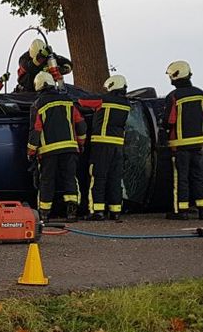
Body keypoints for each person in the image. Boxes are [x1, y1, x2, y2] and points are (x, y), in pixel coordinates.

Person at [28, 71, 86, 222]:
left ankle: (44, 215)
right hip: (70, 149)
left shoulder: (38, 104)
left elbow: (36, 129)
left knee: (47, 181)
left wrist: (31, 151)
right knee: (70, 179)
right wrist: (81, 143)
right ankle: (72, 212)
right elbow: (80, 124)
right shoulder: (68, 101)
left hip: (48, 151)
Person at [162, 60, 203, 220]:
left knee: (181, 177)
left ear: (175, 76)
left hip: (179, 145)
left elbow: (169, 121)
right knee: (199, 176)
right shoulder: (201, 94)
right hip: (198, 143)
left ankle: (181, 210)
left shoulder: (174, 96)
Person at [87, 75, 131, 221]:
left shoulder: (103, 100)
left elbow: (82, 102)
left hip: (101, 144)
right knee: (115, 178)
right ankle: (115, 211)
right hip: (118, 145)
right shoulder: (126, 103)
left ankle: (97, 211)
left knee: (99, 177)